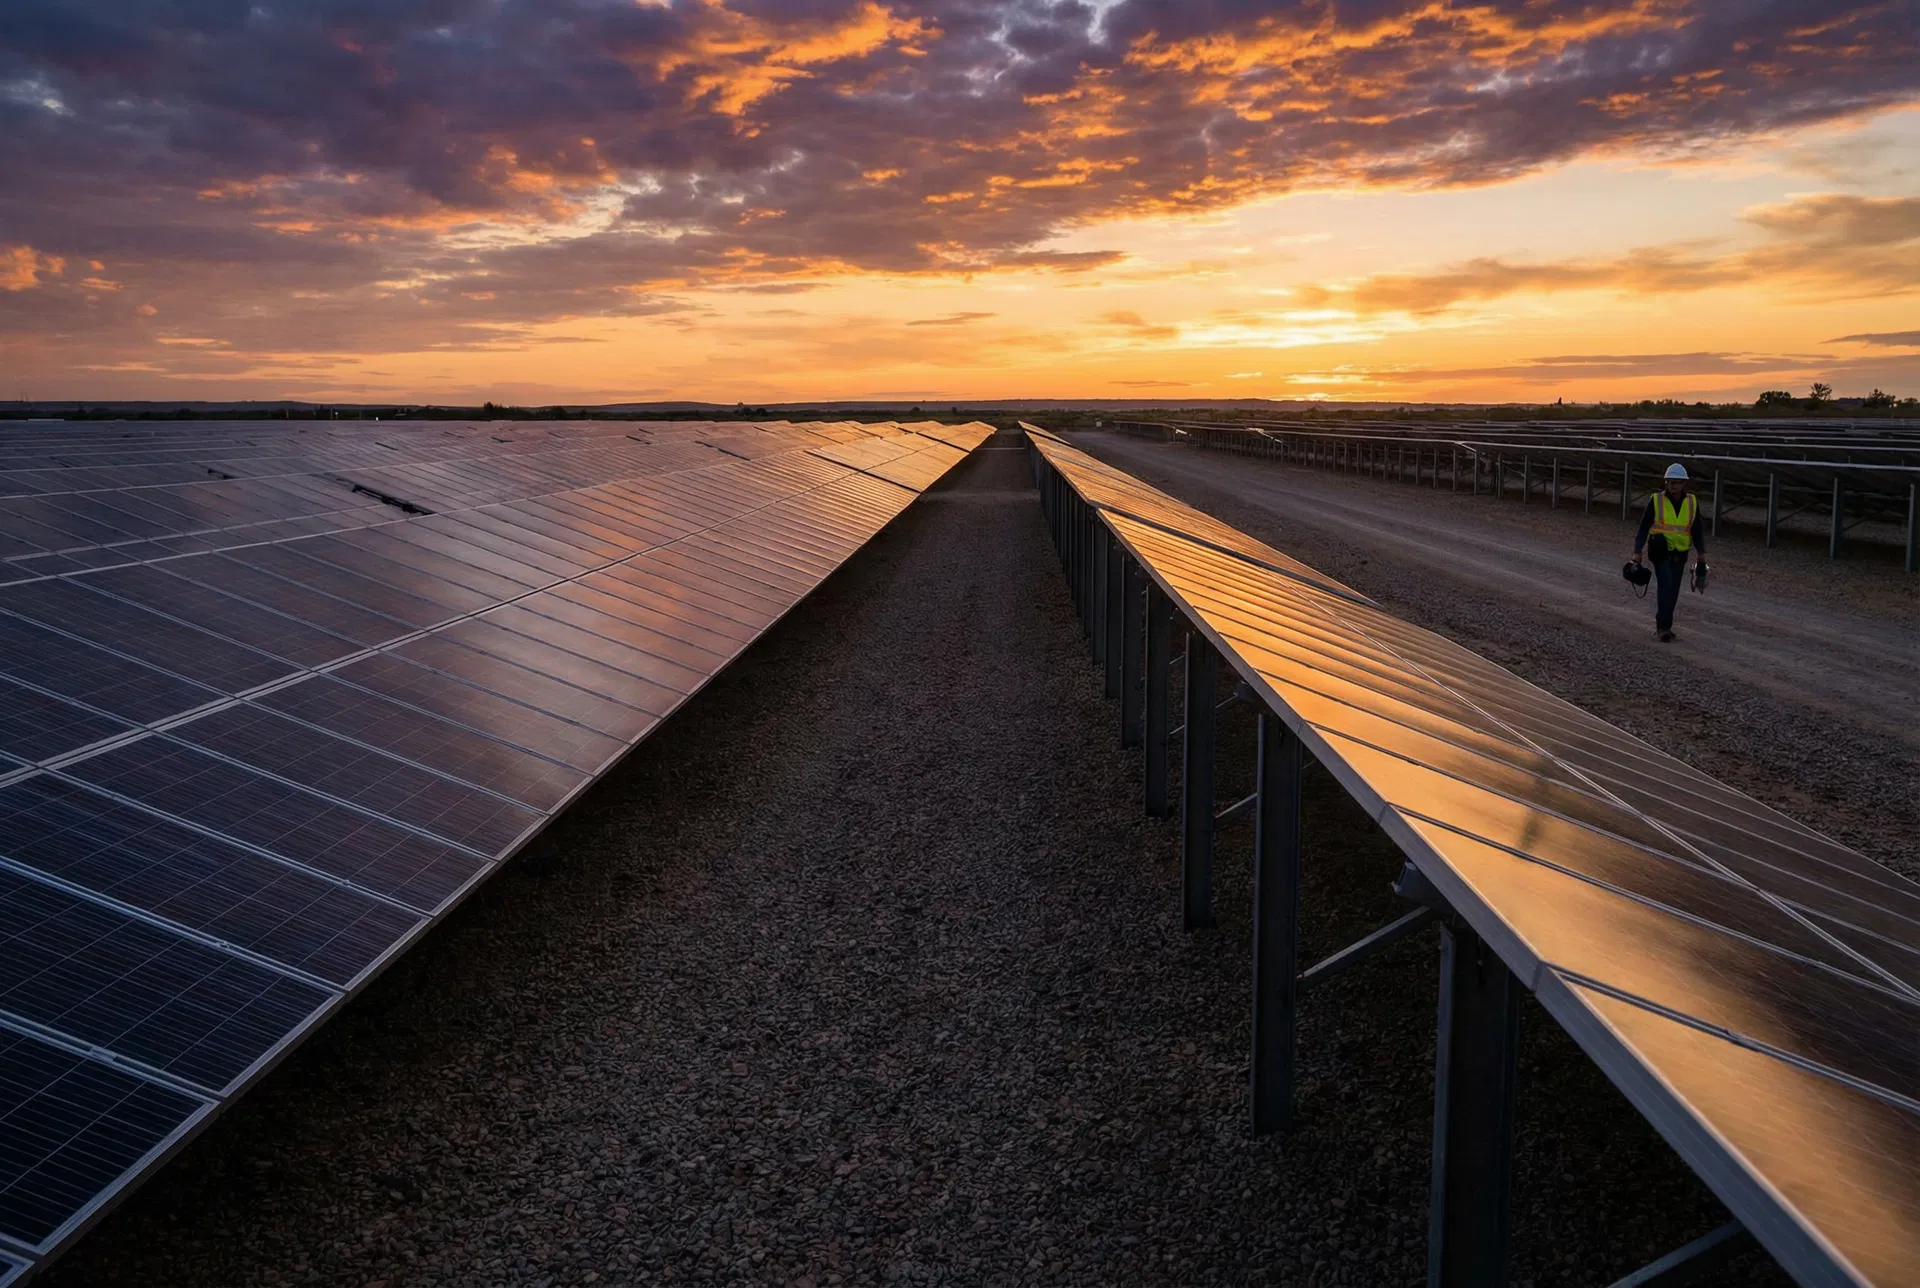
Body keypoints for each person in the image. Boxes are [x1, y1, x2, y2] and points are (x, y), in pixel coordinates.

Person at [1632, 463, 1707, 642]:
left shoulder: (1692, 502)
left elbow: (1697, 530)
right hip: (1660, 551)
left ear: (1684, 484)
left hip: (1680, 552)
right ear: (1666, 482)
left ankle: (1667, 626)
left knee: (1673, 590)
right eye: (1671, 482)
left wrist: (1701, 554)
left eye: (1678, 482)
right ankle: (1662, 627)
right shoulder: (1656, 500)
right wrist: (1637, 551)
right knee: (1665, 587)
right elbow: (1643, 528)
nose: (1674, 485)